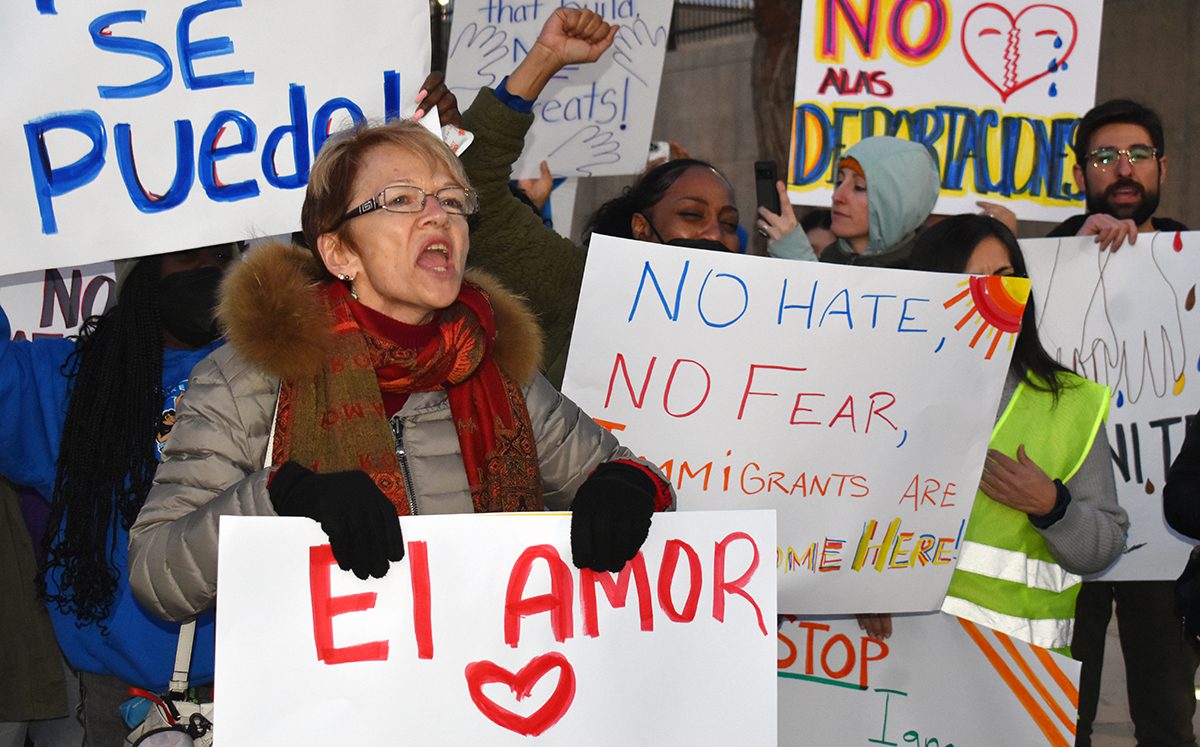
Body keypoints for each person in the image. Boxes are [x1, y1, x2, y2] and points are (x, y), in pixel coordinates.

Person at [127, 114, 674, 624]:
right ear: (340, 253)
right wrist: (280, 498)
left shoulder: (496, 366)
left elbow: (635, 475)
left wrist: (625, 486)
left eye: (452, 200)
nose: (439, 215)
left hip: (491, 682)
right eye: (401, 199)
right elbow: (156, 577)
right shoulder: (249, 379)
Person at [857, 215, 1128, 653]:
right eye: (975, 281)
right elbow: (837, 509)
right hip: (896, 658)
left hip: (1020, 671)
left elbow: (1104, 548)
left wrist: (1053, 508)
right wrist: (856, 585)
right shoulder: (880, 397)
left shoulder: (1071, 403)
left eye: (1007, 277)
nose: (996, 295)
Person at [0, 244, 232, 744]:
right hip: (124, 701)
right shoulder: (72, 380)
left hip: (261, 678)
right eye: (188, 256)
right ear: (142, 273)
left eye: (221, 256)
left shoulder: (272, 369)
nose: (209, 269)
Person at [458, 8, 741, 387]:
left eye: (730, 223)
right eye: (691, 215)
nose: (715, 234)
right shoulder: (579, 285)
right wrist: (545, 59)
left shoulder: (763, 317)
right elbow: (473, 183)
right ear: (641, 227)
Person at [1049, 99, 1198, 747]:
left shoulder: (1193, 263)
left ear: (1163, 166)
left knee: (1167, 718)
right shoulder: (1045, 259)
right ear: (1081, 172)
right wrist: (1069, 259)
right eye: (1105, 156)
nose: (1123, 168)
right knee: (1059, 717)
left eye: (1138, 153)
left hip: (1168, 533)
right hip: (1065, 522)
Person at [758, 136, 940, 268]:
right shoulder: (828, 260)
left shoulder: (935, 273)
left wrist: (803, 266)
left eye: (859, 187)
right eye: (839, 181)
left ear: (898, 204)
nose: (837, 196)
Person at [1049, 98, 1184, 251]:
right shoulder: (1043, 255)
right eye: (1105, 158)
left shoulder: (1191, 251)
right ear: (1080, 177)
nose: (1124, 171)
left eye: (1139, 155)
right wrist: (1072, 253)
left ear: (1162, 169)